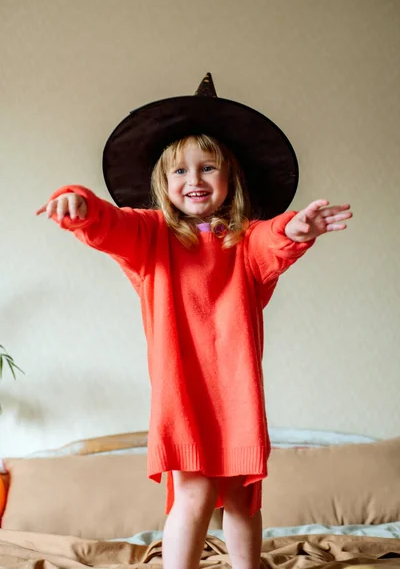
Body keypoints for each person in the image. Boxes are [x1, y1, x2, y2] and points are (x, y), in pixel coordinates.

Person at [36, 74, 352, 569]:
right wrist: (77, 201)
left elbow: (274, 240)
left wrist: (296, 228)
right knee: (194, 495)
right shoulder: (150, 236)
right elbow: (107, 222)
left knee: (244, 501)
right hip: (182, 399)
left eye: (208, 168)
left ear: (231, 179)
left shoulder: (244, 241)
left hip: (238, 398)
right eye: (179, 171)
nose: (195, 181)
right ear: (162, 184)